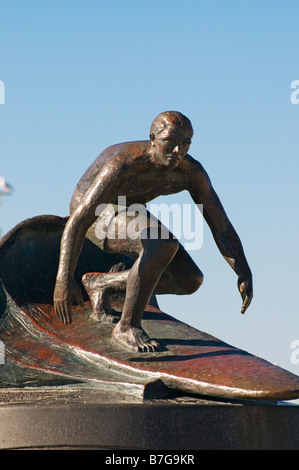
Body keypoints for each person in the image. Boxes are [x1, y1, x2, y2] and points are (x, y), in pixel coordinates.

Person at [54, 111, 253, 352]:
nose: (178, 151)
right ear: (153, 138)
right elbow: (79, 219)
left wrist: (242, 267)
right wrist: (63, 279)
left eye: (185, 144)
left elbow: (221, 226)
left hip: (132, 210)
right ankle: (127, 327)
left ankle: (101, 284)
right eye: (170, 143)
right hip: (96, 212)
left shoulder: (190, 172)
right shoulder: (124, 164)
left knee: (189, 280)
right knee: (163, 243)